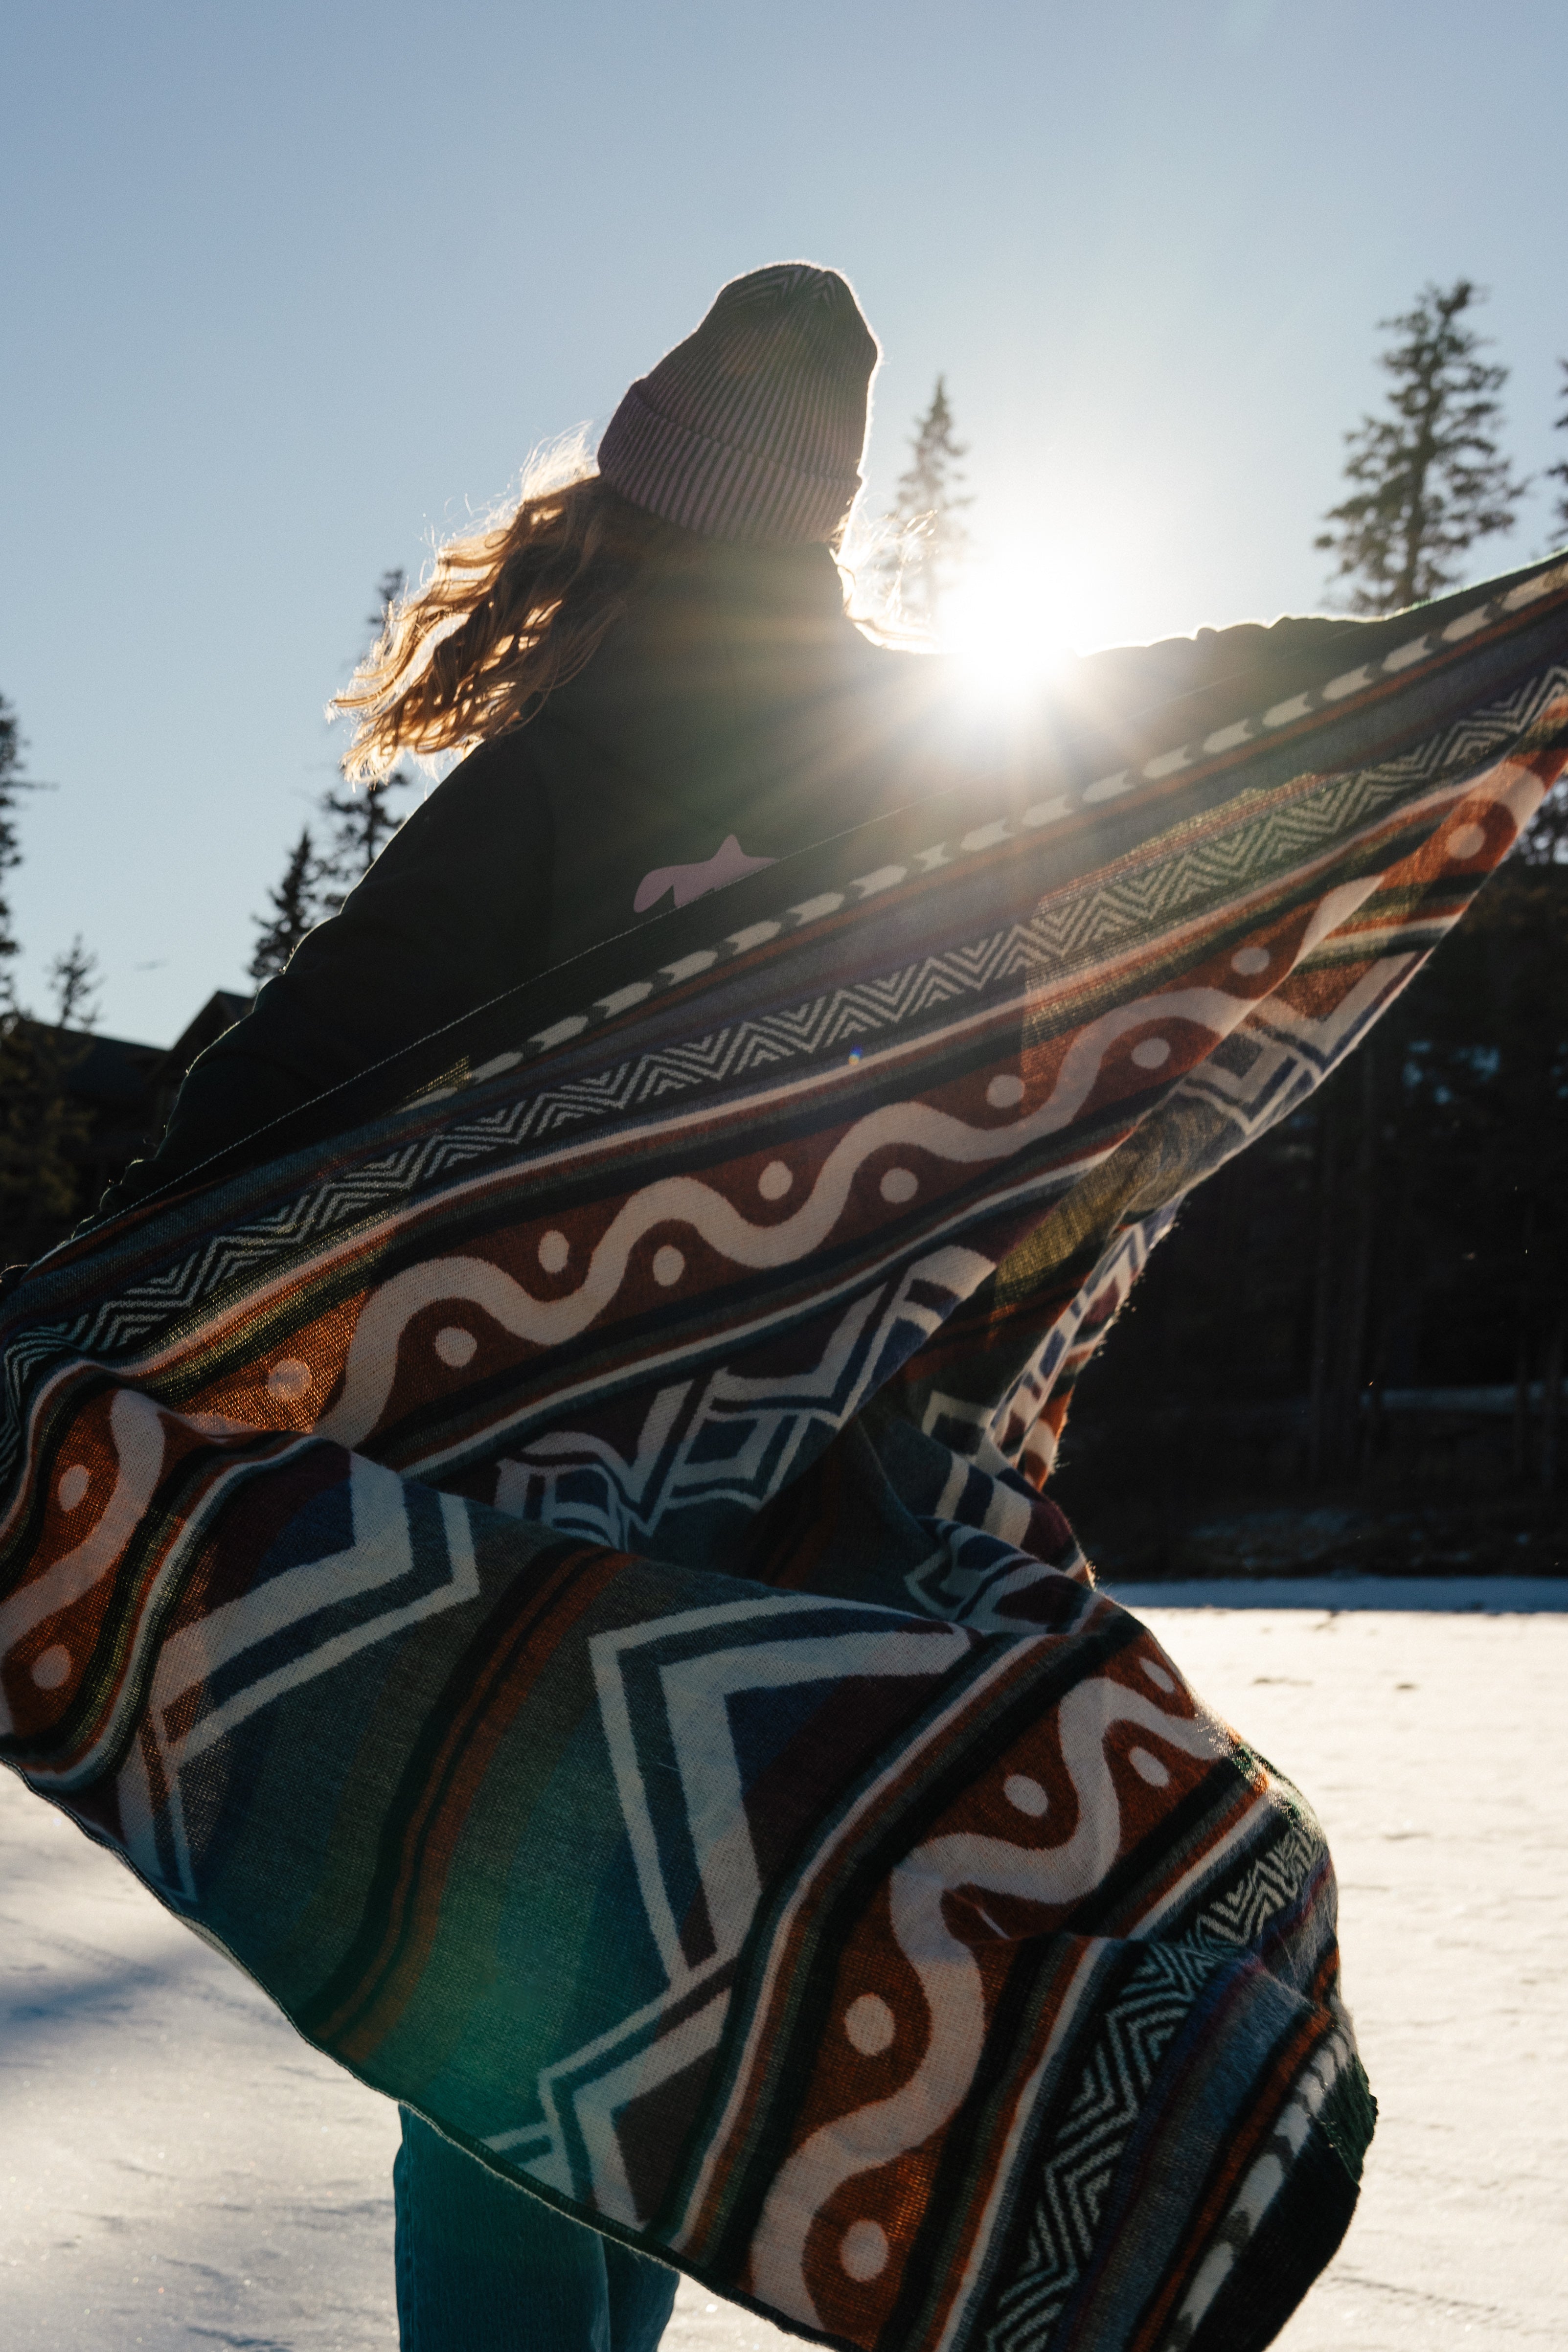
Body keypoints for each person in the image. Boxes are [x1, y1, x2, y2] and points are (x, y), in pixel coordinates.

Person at [96, 261, 1391, 2352]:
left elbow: (280, 1086)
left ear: (633, 501)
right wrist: (1433, 661)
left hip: (539, 1520)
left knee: (513, 2042)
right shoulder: (917, 748)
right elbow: (1200, 711)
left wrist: (118, 1311)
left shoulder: (562, 768)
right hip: (808, 1536)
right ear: (808, 521)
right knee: (652, 2026)